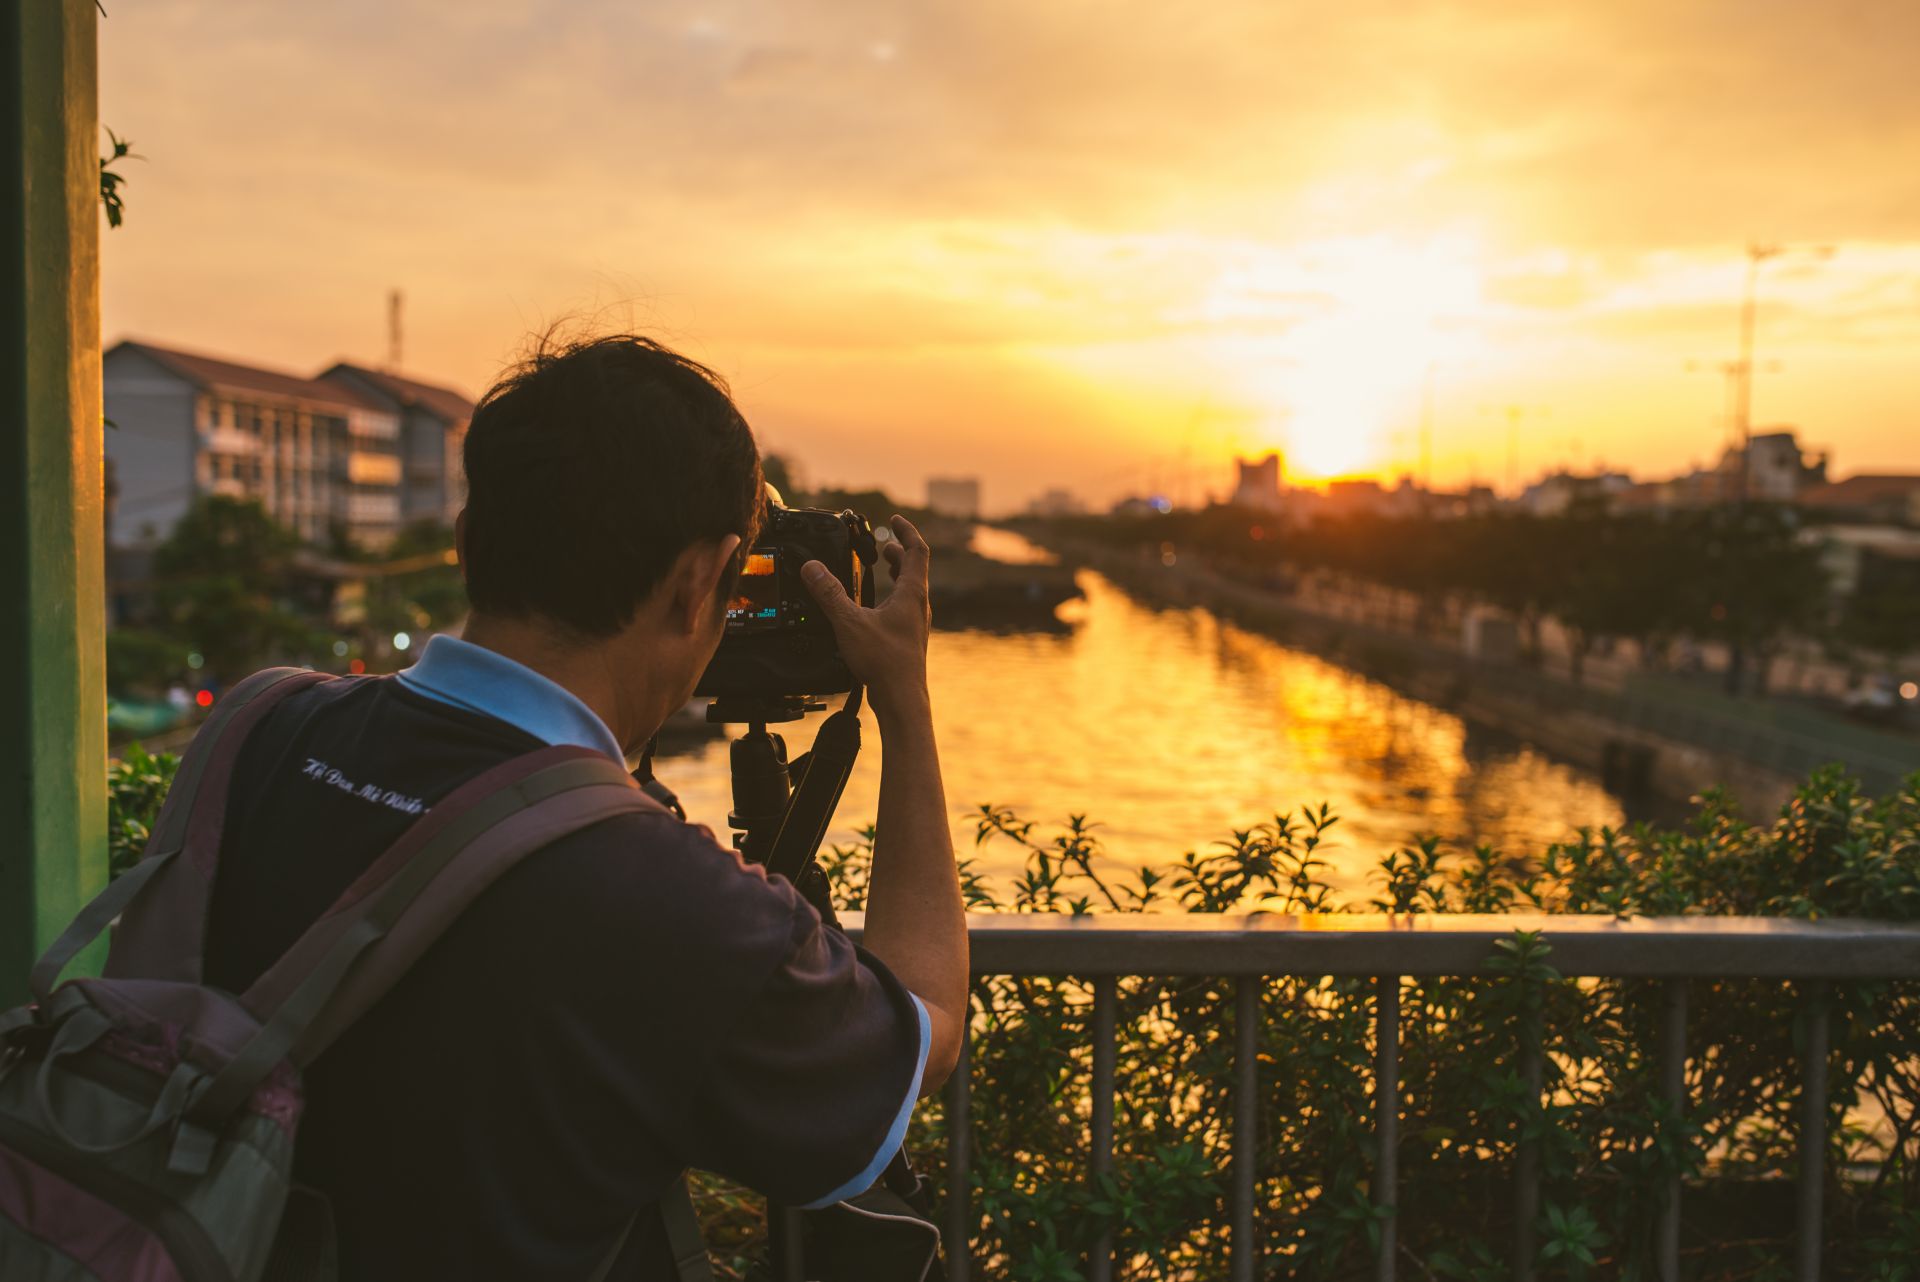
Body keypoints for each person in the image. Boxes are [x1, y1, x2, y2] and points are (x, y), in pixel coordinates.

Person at [201, 333, 968, 1279]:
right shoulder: (677, 904)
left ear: (469, 541)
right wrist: (904, 700)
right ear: (701, 585)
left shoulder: (262, 726)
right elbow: (923, 1028)